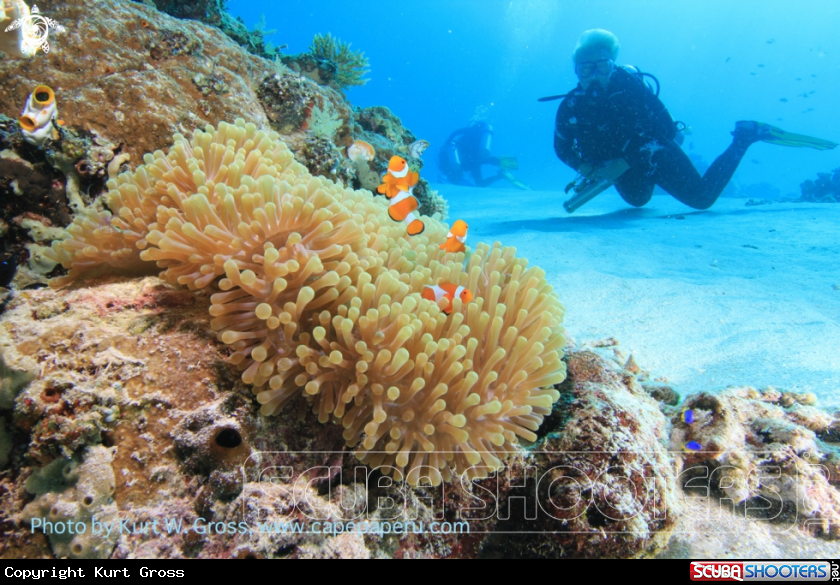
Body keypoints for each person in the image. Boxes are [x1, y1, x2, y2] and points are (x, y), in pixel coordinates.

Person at [553, 29, 836, 210]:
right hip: (621, 166)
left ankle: (744, 137)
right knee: (638, 200)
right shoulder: (571, 107)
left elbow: (666, 130)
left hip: (656, 153)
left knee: (702, 199)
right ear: (577, 71)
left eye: (603, 66)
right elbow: (561, 147)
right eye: (586, 69)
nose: (595, 75)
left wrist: (625, 161)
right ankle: (650, 178)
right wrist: (583, 165)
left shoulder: (632, 89)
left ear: (613, 65)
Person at [439, 121, 524, 188]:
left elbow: (465, 161)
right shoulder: (470, 137)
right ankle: (500, 171)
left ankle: (500, 175)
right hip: (476, 158)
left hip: (472, 160)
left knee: (480, 182)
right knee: (480, 180)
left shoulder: (454, 161)